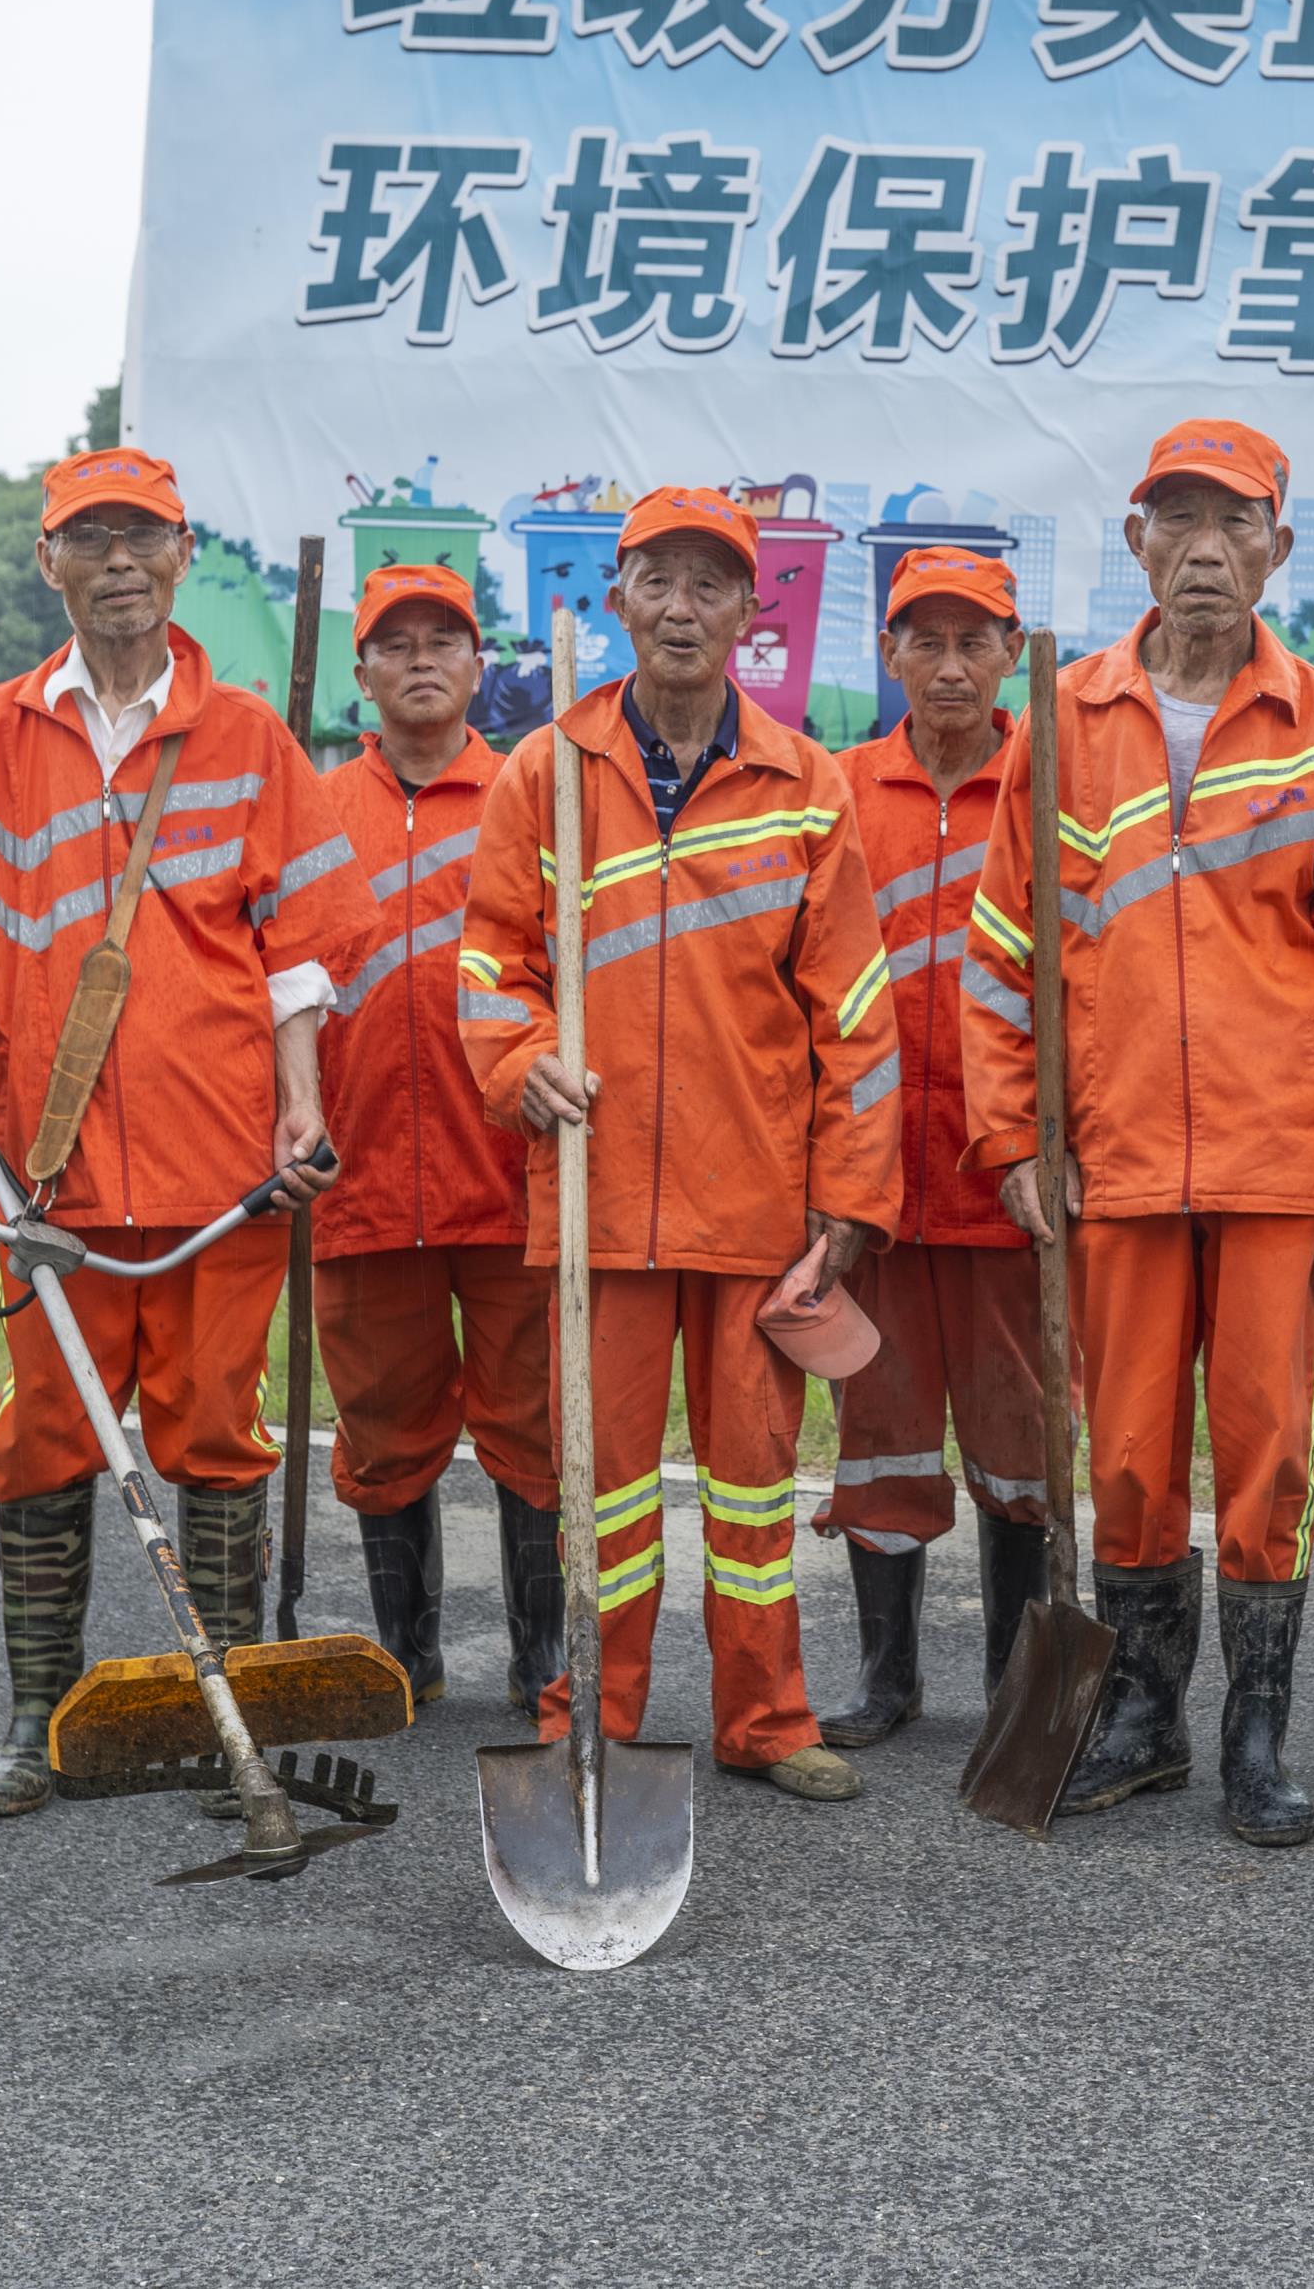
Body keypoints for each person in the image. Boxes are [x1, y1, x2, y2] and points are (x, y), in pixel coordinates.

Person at [0, 447, 362, 1818]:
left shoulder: (249, 736)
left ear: (181, 549)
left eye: (140, 535)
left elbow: (300, 955)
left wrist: (304, 1106)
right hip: (51, 1166)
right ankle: (41, 1714)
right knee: (42, 1432)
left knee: (215, 1431)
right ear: (50, 563)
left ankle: (222, 1715)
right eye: (89, 538)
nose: (118, 560)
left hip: (222, 1162)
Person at [960, 419, 1314, 1848]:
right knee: (1128, 1460)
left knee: (1272, 1454)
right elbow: (1000, 962)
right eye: (1179, 519)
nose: (1206, 547)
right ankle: (1148, 1716)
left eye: (1236, 522)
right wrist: (1016, 1143)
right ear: (1138, 545)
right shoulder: (1062, 723)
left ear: (1280, 549)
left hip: (1281, 1169)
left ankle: (1256, 1736)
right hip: (1116, 1167)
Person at [459, 485, 900, 1803]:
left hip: (755, 1197)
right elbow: (490, 955)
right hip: (598, 1195)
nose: (684, 609)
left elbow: (857, 1012)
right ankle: (588, 1712)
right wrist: (519, 1058)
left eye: (715, 585)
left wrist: (848, 1203)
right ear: (620, 595)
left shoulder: (802, 782)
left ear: (748, 609)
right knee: (598, 1485)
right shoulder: (547, 767)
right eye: (661, 581)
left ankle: (765, 1717)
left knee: (758, 1490)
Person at [308, 561, 562, 1714]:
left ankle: (540, 1656)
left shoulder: (534, 796)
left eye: (442, 640)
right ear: (360, 670)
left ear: (476, 664)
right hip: (357, 1182)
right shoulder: (310, 813)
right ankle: (404, 1657)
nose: (420, 658)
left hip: (509, 1177)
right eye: (394, 641)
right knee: (382, 1434)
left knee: (535, 1430)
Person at [811, 546, 1053, 1746]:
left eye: (976, 641)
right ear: (889, 653)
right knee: (883, 1435)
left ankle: (1019, 1680)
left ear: (1012, 655)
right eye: (926, 641)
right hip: (881, 1188)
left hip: (1012, 1185)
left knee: (1024, 1443)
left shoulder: (1054, 780)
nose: (950, 665)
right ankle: (885, 1677)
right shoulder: (840, 787)